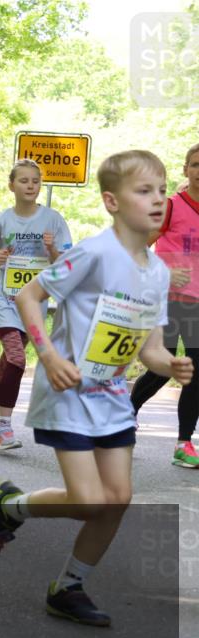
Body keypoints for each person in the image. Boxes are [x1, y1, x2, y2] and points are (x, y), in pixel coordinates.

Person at [0, 150, 194, 627]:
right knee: (88, 499)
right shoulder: (93, 253)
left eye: (162, 190)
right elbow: (28, 296)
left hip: (112, 397)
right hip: (68, 390)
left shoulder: (157, 273)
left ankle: (68, 587)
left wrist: (173, 364)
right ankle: (10, 507)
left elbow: (150, 349)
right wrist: (49, 356)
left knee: (117, 497)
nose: (158, 200)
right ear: (112, 202)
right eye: (144, 191)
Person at [0, 159, 72, 450]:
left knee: (8, 363)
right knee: (17, 359)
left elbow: (66, 262)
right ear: (11, 185)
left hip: (32, 303)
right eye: (24, 181)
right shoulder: (1, 221)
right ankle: (5, 428)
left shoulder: (53, 220)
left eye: (35, 181)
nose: (31, 186)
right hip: (4, 299)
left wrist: (51, 248)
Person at [131, 142, 199, 467]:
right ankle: (127, 411)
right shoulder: (171, 207)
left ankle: (184, 443)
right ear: (186, 169)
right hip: (169, 299)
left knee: (196, 372)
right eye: (195, 164)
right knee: (165, 366)